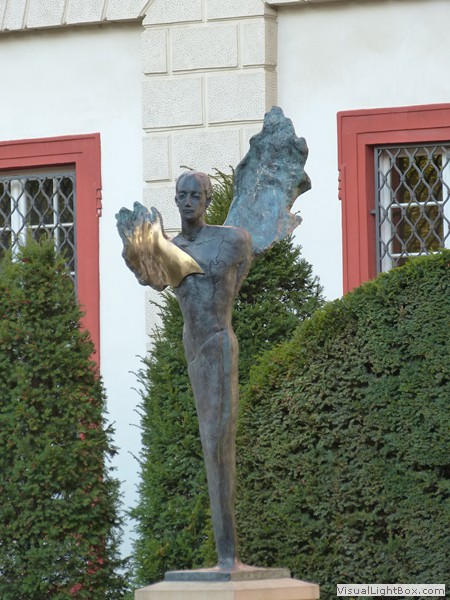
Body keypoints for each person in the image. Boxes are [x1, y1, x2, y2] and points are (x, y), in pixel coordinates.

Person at [171, 171, 253, 569]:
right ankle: (226, 555)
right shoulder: (170, 249)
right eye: (182, 195)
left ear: (207, 200)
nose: (188, 202)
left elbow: (236, 282)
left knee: (218, 443)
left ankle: (228, 556)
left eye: (195, 195)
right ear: (175, 200)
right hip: (193, 348)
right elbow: (149, 275)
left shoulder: (232, 240)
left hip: (218, 344)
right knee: (210, 443)